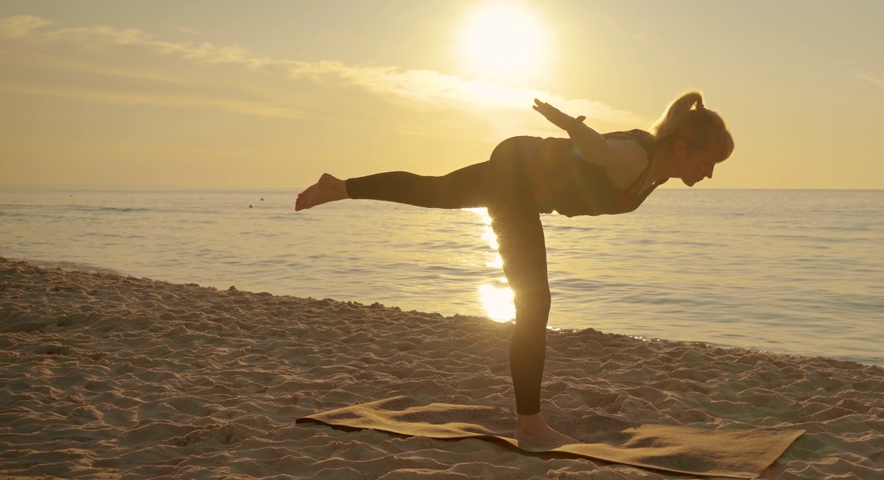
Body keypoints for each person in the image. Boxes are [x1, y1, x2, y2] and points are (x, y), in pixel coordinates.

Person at [295, 91, 734, 449]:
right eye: (707, 162)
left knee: (437, 190)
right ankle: (530, 425)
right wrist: (568, 123)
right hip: (518, 178)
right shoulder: (635, 159)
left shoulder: (654, 167)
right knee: (535, 301)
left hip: (520, 167)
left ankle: (340, 187)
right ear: (681, 149)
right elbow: (598, 149)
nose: (710, 174)